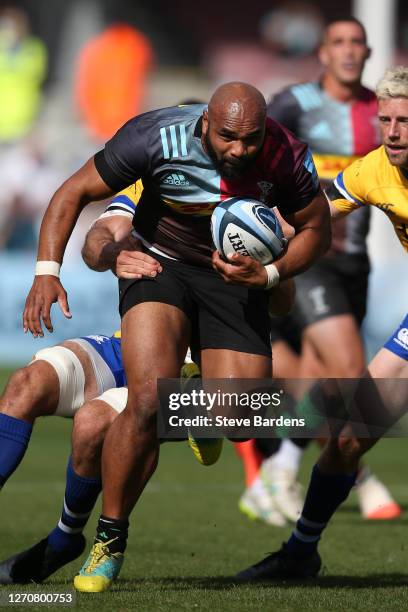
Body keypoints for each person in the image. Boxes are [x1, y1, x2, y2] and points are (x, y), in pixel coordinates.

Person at [23, 83, 331, 592]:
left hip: (234, 276)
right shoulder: (154, 136)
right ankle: (109, 540)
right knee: (145, 399)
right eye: (229, 136)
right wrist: (45, 271)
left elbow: (316, 226)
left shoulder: (285, 153)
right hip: (159, 264)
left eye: (250, 140)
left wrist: (270, 274)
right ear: (206, 122)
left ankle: (194, 395)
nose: (239, 150)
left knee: (240, 421)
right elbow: (73, 192)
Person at [236, 65, 408, 580]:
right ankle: (300, 552)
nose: (395, 131)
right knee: (354, 434)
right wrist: (256, 238)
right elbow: (312, 214)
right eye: (387, 120)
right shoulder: (374, 169)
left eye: (406, 120)